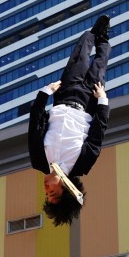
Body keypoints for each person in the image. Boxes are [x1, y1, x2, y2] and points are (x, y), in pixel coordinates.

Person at [27, 15, 112, 225]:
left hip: (64, 95)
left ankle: (93, 33)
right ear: (65, 189)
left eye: (46, 194)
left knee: (80, 56)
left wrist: (44, 94)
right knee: (99, 64)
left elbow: (34, 125)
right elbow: (97, 135)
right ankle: (104, 39)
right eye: (53, 194)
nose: (46, 190)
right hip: (88, 101)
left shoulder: (39, 160)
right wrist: (102, 100)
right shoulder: (82, 164)